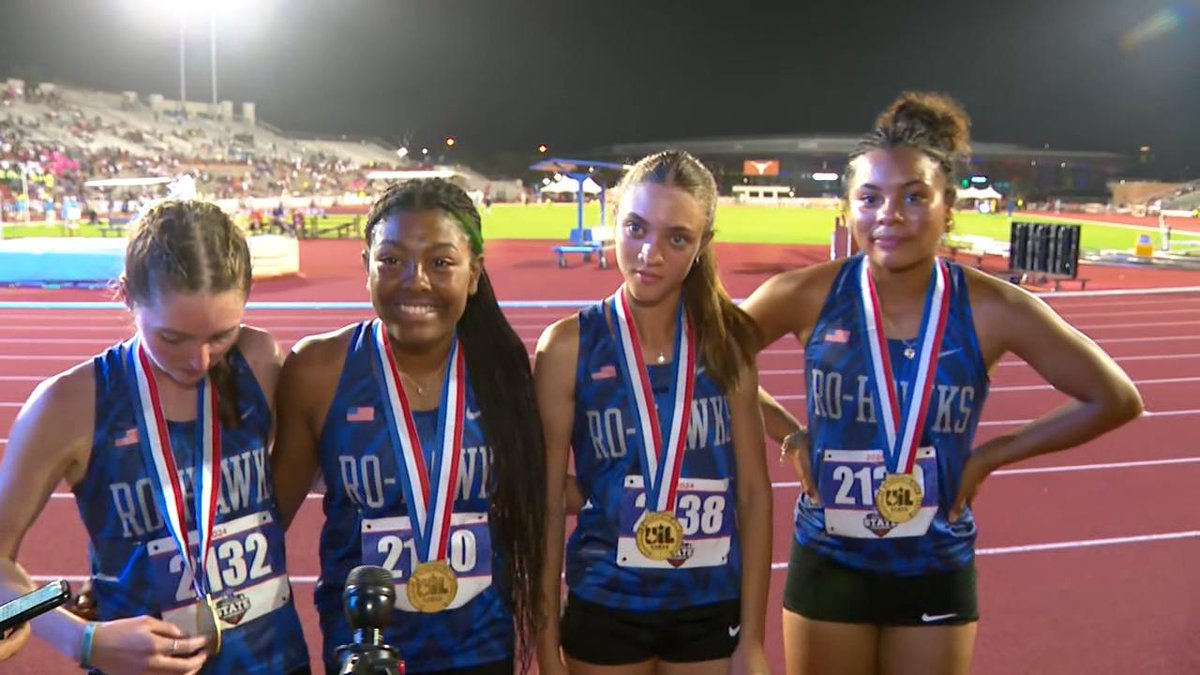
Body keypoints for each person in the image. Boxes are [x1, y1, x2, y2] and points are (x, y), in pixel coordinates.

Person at [741, 92, 1144, 675]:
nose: (890, 215)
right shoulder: (804, 294)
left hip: (933, 559)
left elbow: (1116, 398)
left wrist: (991, 456)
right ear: (848, 209)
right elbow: (703, 365)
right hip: (829, 556)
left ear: (948, 208)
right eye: (870, 198)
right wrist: (789, 432)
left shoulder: (992, 308)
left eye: (914, 197)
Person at [0, 200, 311, 674]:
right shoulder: (69, 403)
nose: (201, 360)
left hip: (274, 659)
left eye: (221, 335)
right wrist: (81, 639)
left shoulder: (259, 361)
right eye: (172, 338)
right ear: (126, 296)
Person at [271, 178, 546, 673]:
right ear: (366, 267)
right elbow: (268, 515)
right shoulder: (318, 369)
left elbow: (538, 491)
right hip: (363, 650)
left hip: (481, 647)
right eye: (391, 260)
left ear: (475, 273)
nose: (414, 281)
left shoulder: (502, 370)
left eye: (441, 263)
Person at [535, 150, 772, 675]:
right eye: (636, 228)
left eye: (677, 238)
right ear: (612, 220)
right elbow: (548, 500)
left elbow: (754, 494)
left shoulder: (726, 343)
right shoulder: (569, 346)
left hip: (708, 606)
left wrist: (752, 639)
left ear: (703, 244)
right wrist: (545, 640)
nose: (650, 253)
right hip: (606, 601)